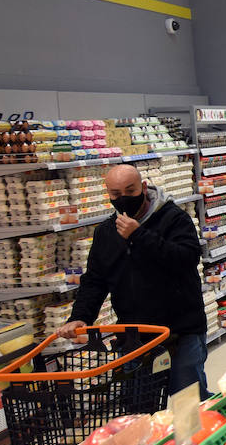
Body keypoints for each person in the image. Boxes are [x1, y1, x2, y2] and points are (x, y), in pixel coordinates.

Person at [62, 164, 208, 396]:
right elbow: (95, 281)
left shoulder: (174, 219)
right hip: (134, 337)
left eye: (130, 192)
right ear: (108, 195)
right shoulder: (106, 232)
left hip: (180, 331)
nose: (124, 199)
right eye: (116, 195)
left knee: (189, 405)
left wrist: (139, 235)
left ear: (143, 187)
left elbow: (187, 259)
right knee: (137, 410)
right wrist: (80, 317)